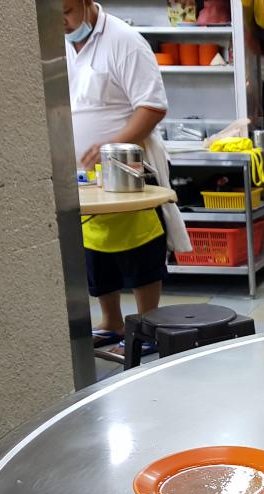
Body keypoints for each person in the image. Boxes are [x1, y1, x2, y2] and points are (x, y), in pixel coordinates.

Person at [63, 0, 190, 350]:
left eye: (67, 12)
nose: (62, 21)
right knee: (95, 249)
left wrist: (109, 145)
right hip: (83, 176)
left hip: (128, 167)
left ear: (87, 3)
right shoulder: (56, 47)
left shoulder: (124, 40)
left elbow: (152, 106)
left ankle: (148, 325)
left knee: (139, 248)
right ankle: (111, 322)